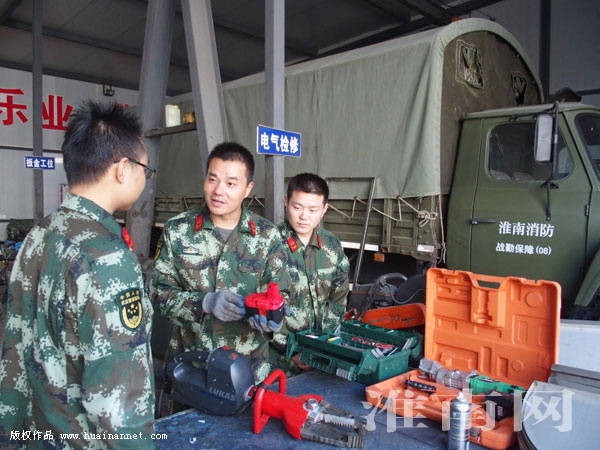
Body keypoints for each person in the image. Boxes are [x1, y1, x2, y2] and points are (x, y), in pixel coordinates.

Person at [0, 101, 156, 449]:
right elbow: (117, 406)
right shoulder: (107, 257)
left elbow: (15, 349)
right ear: (123, 168)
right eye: (145, 169)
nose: (144, 180)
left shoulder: (40, 235)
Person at [151, 142, 290, 384]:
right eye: (212, 179)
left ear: (247, 189)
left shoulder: (267, 235)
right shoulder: (178, 230)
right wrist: (204, 303)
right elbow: (157, 293)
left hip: (248, 370)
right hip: (191, 368)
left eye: (231, 183)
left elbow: (281, 293)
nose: (218, 191)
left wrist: (273, 321)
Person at [271, 173, 350, 375]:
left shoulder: (332, 246)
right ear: (286, 203)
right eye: (297, 207)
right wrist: (293, 349)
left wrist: (324, 344)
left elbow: (338, 299)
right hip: (279, 360)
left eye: (313, 210)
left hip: (323, 355)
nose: (304, 216)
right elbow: (262, 309)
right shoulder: (269, 245)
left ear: (324, 209)